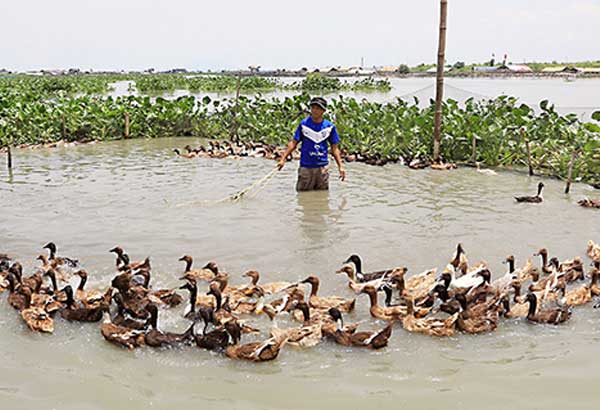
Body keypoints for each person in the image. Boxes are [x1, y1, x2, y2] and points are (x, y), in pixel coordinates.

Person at [277, 97, 346, 191]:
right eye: (313, 108)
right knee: (302, 195)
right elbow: (293, 143)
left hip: (322, 167)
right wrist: (283, 159)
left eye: (318, 108)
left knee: (322, 196)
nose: (314, 110)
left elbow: (335, 149)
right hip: (306, 167)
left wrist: (340, 167)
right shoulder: (303, 124)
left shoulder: (329, 127)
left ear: (323, 111)